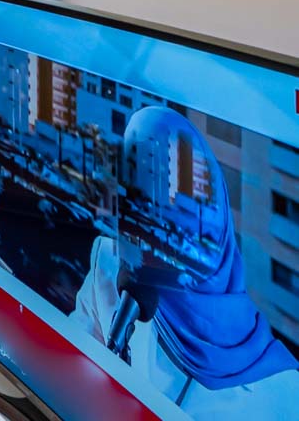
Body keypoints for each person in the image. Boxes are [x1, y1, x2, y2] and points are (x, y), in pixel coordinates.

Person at [72, 108, 299, 417]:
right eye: (136, 194)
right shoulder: (108, 267)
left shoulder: (284, 395)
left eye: (174, 201)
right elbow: (66, 372)